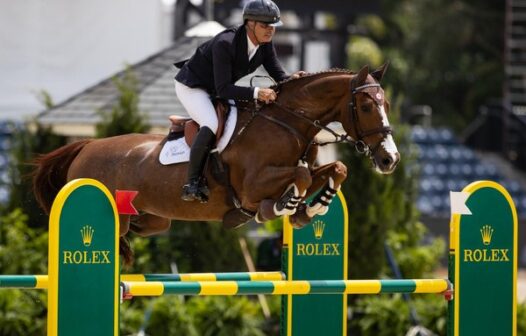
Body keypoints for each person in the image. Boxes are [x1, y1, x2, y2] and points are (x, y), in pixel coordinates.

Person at [174, 0, 306, 203]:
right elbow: (224, 89)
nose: (269, 31)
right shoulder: (225, 43)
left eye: (273, 27)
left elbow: (279, 75)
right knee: (211, 122)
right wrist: (256, 93)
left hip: (217, 89)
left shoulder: (264, 45)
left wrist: (294, 80)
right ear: (249, 23)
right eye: (264, 26)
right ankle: (192, 183)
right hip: (193, 87)